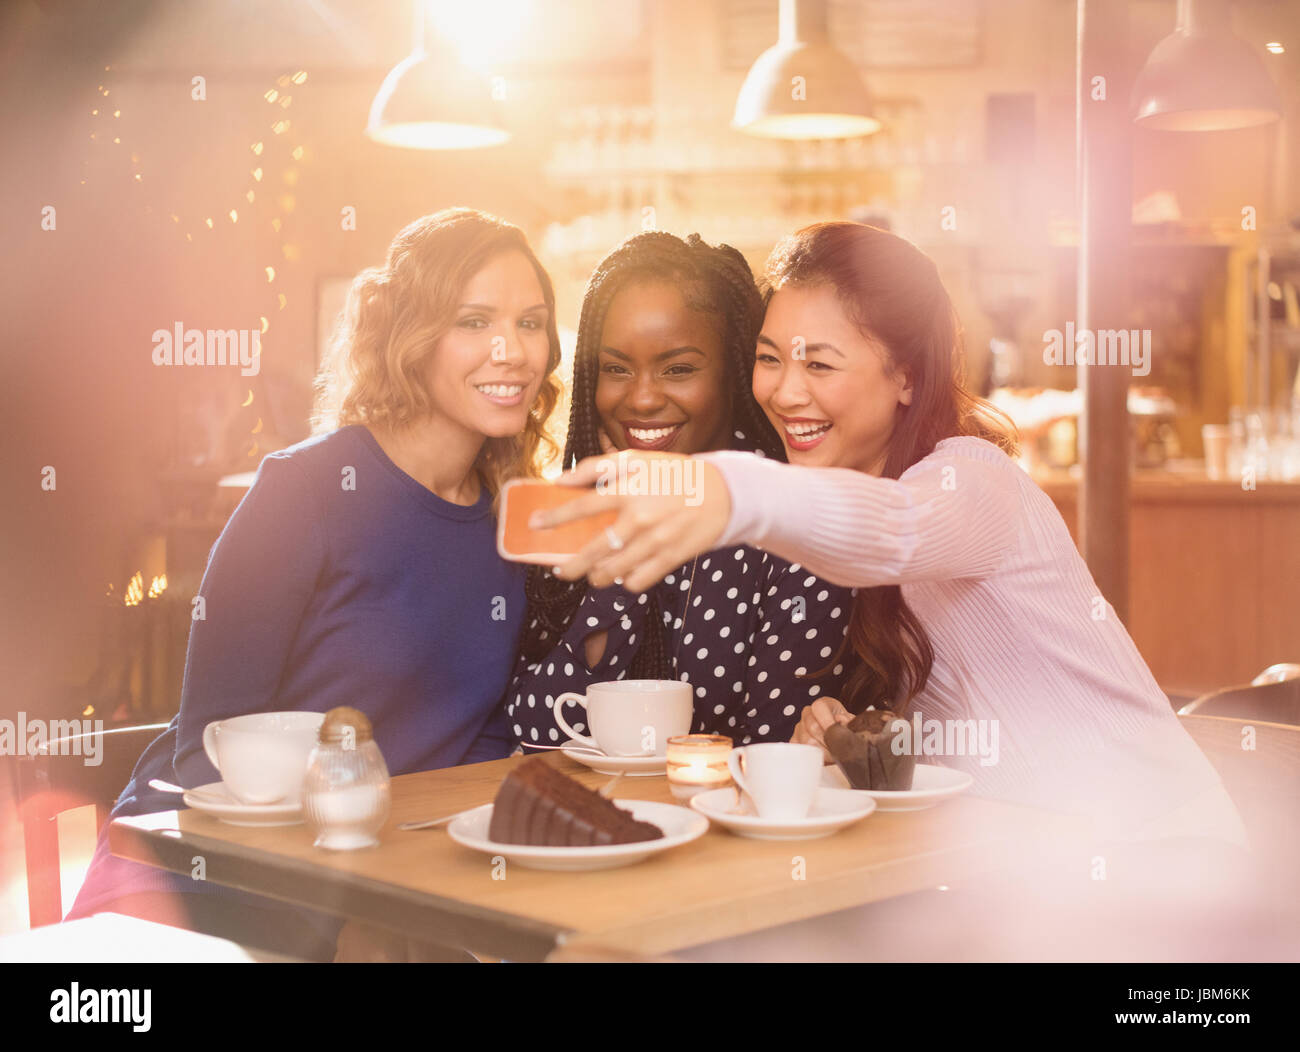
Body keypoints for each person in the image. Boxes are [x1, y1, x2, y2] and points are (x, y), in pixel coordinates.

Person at [534, 220, 1247, 850]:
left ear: (906, 376)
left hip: (1165, 855)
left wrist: (728, 489)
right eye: (772, 357)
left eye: (819, 363)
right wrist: (854, 732)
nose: (784, 392)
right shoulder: (846, 515)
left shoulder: (974, 482)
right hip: (1037, 881)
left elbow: (897, 532)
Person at [67, 208, 564, 959]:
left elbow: (477, 751)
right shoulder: (304, 491)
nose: (513, 351)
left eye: (531, 322)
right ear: (409, 337)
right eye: (474, 320)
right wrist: (332, 919)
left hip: (384, 894)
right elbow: (211, 745)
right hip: (211, 892)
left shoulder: (513, 518)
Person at [510, 232, 854, 751]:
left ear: (735, 373)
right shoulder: (582, 504)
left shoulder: (790, 522)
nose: (642, 398)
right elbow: (537, 732)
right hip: (601, 825)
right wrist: (620, 563)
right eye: (617, 369)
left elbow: (775, 752)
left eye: (679, 369)